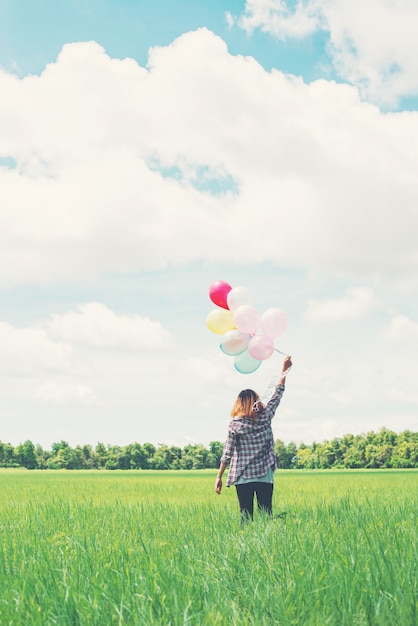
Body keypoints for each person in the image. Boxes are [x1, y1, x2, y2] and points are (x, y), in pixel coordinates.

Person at [215, 355, 292, 521]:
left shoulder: (234, 425)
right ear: (256, 402)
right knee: (266, 513)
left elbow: (227, 453)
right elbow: (277, 394)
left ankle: (247, 544)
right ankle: (268, 543)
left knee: (246, 515)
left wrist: (219, 477)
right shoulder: (265, 417)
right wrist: (284, 369)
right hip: (264, 474)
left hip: (242, 476)